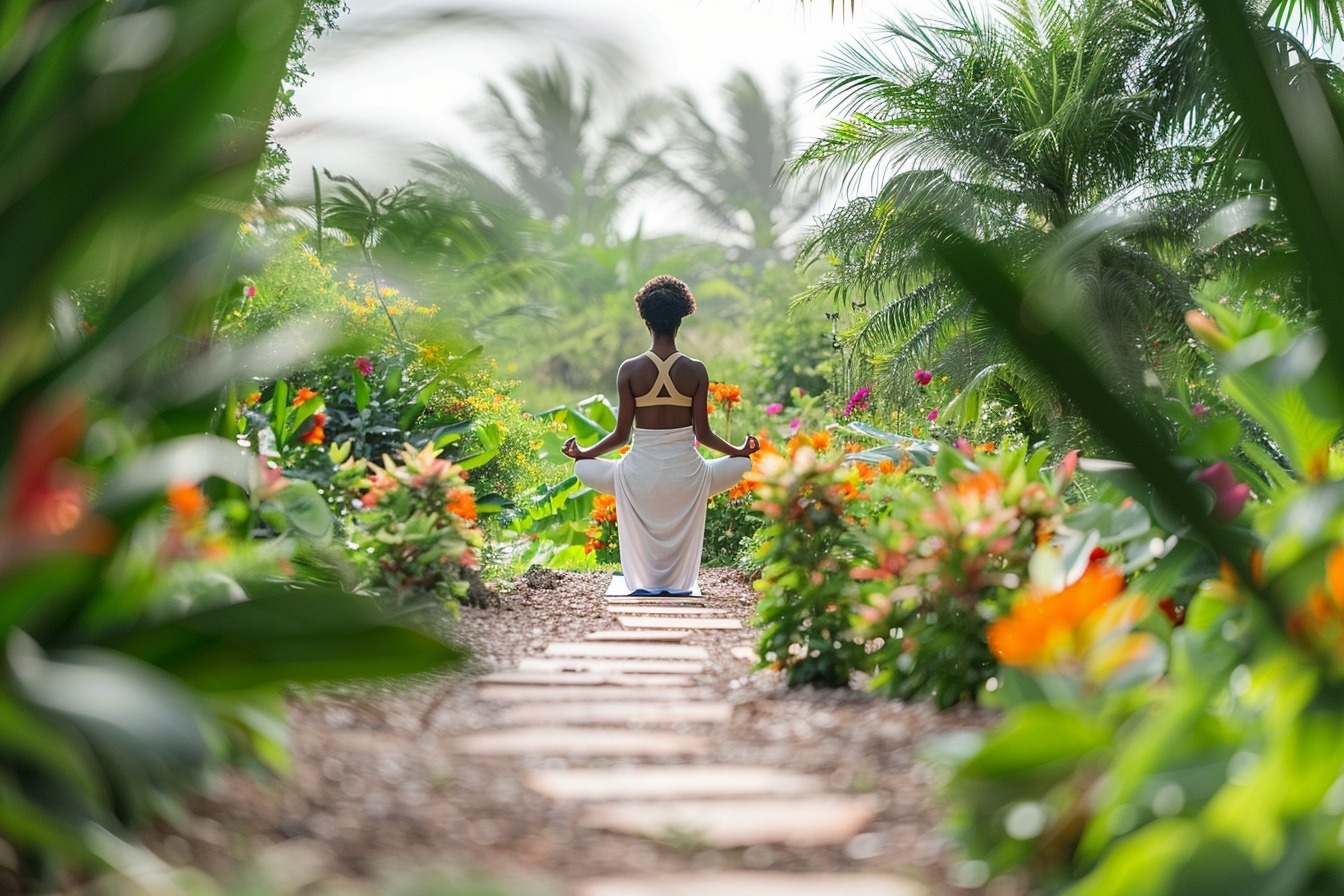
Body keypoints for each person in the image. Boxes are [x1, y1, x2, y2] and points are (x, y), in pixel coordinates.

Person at [562, 275, 757, 594]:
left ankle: (644, 579)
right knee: (742, 465)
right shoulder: (696, 370)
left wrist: (584, 453)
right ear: (680, 320)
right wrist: (739, 450)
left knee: (582, 469)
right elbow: (704, 435)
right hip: (687, 478)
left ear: (646, 321)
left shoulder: (629, 369)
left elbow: (621, 436)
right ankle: (677, 582)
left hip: (639, 477)